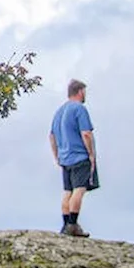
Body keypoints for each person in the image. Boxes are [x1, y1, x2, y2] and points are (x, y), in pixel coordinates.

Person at [49, 79, 97, 238]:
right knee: (79, 189)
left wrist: (57, 155)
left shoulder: (59, 111)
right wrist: (91, 153)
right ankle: (73, 223)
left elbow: (51, 136)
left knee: (67, 191)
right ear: (80, 91)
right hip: (79, 155)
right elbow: (86, 133)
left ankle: (65, 224)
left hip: (65, 157)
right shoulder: (79, 109)